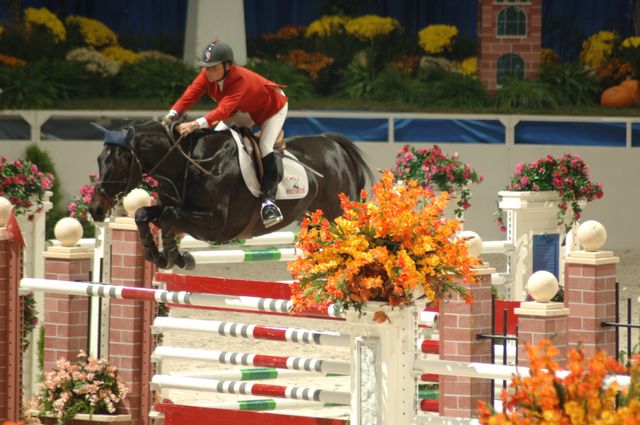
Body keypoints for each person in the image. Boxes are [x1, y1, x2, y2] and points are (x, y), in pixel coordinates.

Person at [162, 41, 288, 228]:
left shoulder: (240, 80)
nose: (208, 72)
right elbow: (191, 94)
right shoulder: (206, 75)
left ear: (227, 65)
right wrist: (172, 115)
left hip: (272, 109)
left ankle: (269, 203)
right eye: (206, 68)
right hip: (242, 109)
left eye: (214, 68)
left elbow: (223, 110)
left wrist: (195, 124)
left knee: (264, 147)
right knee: (215, 138)